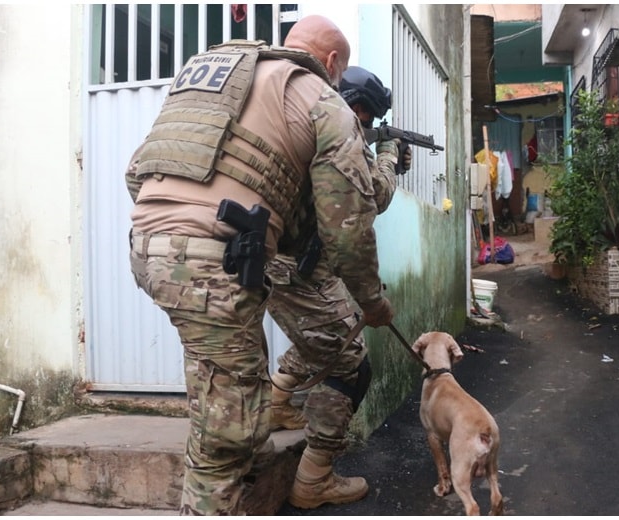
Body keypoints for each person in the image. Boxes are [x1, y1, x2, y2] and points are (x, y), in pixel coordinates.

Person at [124, 15, 398, 515]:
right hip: (216, 264)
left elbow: (137, 169)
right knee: (224, 439)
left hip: (148, 245)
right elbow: (347, 229)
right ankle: (232, 482)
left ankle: (253, 450)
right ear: (334, 62)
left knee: (231, 392)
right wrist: (373, 302)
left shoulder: (223, 74)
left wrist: (178, 229)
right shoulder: (321, 98)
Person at [264, 65, 410, 510]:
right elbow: (374, 197)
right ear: (362, 109)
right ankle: (314, 478)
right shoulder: (340, 129)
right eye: (368, 116)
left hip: (282, 265)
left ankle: (277, 404)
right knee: (352, 367)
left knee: (329, 336)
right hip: (301, 271)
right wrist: (387, 158)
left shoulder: (300, 118)